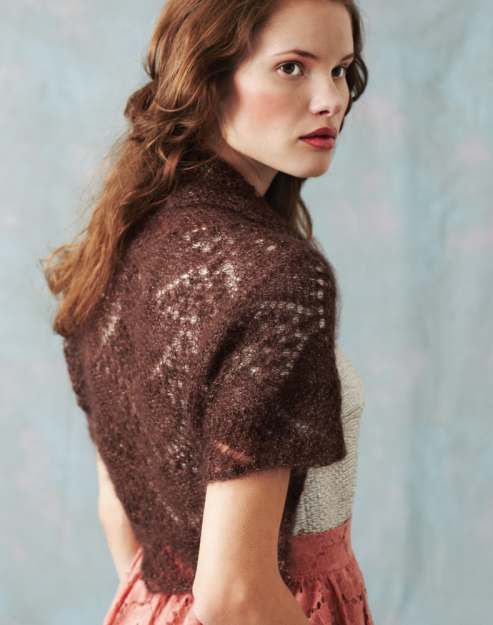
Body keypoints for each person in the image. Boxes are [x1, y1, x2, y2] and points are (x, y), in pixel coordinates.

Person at [42, 0, 374, 623]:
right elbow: (235, 595)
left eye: (340, 70)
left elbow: (119, 512)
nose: (331, 99)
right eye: (292, 67)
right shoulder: (277, 275)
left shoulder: (123, 240)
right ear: (208, 78)